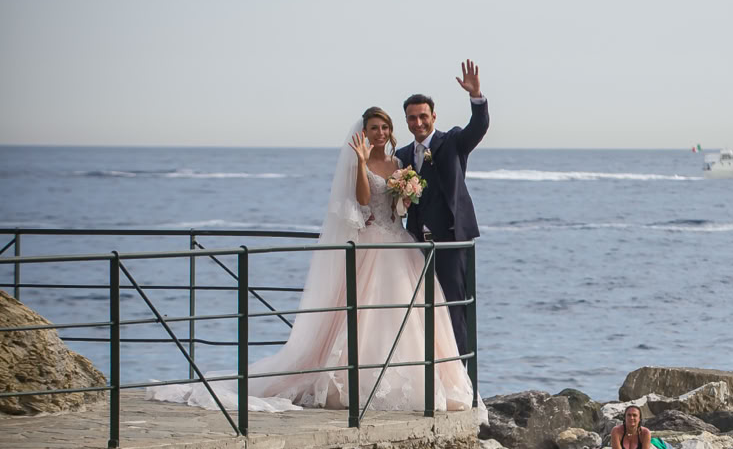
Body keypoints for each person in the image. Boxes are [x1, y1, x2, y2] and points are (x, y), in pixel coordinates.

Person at [149, 100, 476, 415]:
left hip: (400, 244)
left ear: (391, 131)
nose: (379, 132)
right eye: (374, 127)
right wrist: (361, 164)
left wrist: (405, 196)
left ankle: (418, 378)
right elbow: (363, 200)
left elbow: (401, 208)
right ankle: (360, 380)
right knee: (366, 313)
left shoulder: (399, 162)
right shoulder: (361, 161)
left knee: (410, 314)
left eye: (384, 127)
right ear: (364, 132)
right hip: (373, 243)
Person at [395, 60, 489, 355]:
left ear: (433, 116)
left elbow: (479, 127)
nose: (418, 123)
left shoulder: (453, 142)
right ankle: (430, 372)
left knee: (453, 307)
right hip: (415, 244)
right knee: (419, 309)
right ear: (406, 121)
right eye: (412, 118)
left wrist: (476, 97)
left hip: (450, 240)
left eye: (423, 116)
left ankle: (460, 376)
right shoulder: (402, 155)